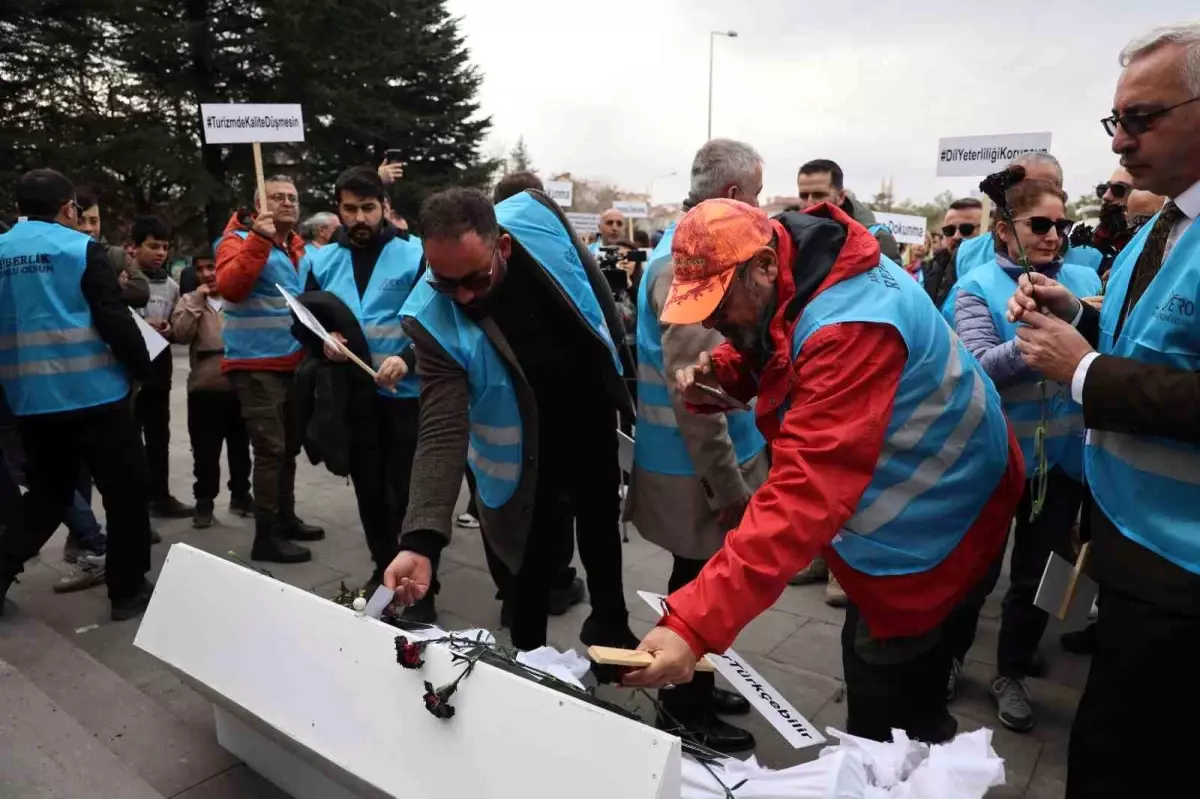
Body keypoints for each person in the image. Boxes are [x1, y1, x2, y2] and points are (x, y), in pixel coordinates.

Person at [620, 198, 1023, 744]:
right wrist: (731, 375)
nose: (711, 323)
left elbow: (803, 494)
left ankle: (905, 767)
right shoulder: (801, 262)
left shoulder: (850, 326)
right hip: (913, 499)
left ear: (763, 264)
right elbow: (785, 337)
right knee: (878, 653)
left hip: (936, 512)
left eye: (718, 306)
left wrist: (692, 626)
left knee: (888, 702)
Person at [1004, 22, 1200, 796]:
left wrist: (1080, 368)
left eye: (1143, 118)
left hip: (1182, 571)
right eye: (1116, 120)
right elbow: (1155, 344)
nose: (1120, 142)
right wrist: (1076, 317)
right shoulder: (1165, 225)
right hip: (1128, 538)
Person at [385, 187, 636, 653]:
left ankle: (610, 626)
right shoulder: (430, 317)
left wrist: (620, 370)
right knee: (530, 560)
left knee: (601, 526)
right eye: (444, 282)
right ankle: (528, 656)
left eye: (474, 281)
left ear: (503, 247)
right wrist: (419, 542)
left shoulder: (538, 215)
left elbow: (589, 284)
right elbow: (440, 431)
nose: (461, 296)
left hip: (586, 413)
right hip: (520, 448)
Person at [628, 138, 767, 752]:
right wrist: (729, 491)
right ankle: (682, 707)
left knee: (702, 582)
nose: (760, 210)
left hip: (695, 464)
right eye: (756, 196)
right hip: (698, 469)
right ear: (733, 196)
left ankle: (699, 683)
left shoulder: (676, 248)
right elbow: (698, 396)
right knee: (696, 588)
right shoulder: (684, 262)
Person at [948, 180, 1100, 732]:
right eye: (1040, 224)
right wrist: (1048, 341)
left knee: (1040, 577)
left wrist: (1077, 323)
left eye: (1062, 224)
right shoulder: (975, 286)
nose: (1054, 236)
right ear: (1004, 229)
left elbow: (1106, 348)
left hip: (1064, 464)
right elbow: (979, 366)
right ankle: (952, 658)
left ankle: (1011, 672)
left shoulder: (1083, 281)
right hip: (996, 460)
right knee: (975, 574)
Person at [0, 169, 155, 621]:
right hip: (96, 397)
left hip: (32, 403)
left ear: (18, 210)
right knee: (126, 493)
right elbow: (114, 319)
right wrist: (142, 372)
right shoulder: (79, 249)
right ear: (69, 208)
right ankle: (126, 591)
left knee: (48, 495)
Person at [302, 167, 426, 606]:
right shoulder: (319, 260)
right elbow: (304, 320)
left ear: (384, 209)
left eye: (368, 208)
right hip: (352, 397)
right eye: (350, 208)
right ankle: (382, 567)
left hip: (405, 396)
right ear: (338, 208)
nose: (359, 217)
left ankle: (419, 580)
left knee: (408, 489)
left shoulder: (414, 255)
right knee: (370, 488)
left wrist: (407, 358)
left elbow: (435, 320)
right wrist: (323, 341)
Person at [215, 175, 324, 563]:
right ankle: (265, 537)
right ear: (258, 204)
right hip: (254, 363)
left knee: (287, 447)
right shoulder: (236, 241)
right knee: (270, 449)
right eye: (277, 197)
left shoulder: (296, 247)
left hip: (291, 362)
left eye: (293, 197)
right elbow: (230, 287)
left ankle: (285, 518)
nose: (288, 203)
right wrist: (259, 241)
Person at [171, 250, 253, 529]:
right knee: (205, 453)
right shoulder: (189, 301)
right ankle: (204, 501)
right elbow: (180, 334)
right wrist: (196, 300)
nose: (207, 274)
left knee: (241, 449)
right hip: (204, 391)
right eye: (201, 268)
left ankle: (241, 495)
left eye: (213, 267)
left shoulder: (239, 300)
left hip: (240, 388)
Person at [128, 216, 193, 519]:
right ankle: (134, 503)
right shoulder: (122, 281)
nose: (160, 253)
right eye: (153, 246)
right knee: (128, 439)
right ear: (134, 248)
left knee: (159, 437)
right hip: (129, 371)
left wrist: (169, 328)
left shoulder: (171, 286)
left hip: (160, 367)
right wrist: (142, 324)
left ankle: (160, 496)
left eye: (165, 247)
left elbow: (179, 324)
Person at [796, 159, 901, 262]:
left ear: (841, 197)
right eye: (804, 196)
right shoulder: (791, 236)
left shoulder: (877, 240)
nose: (809, 204)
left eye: (819, 195)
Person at [74, 187, 150, 308]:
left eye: (93, 221)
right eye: (80, 221)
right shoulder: (59, 256)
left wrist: (110, 286)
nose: (88, 228)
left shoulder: (115, 255)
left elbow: (142, 292)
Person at [923, 198, 984, 308]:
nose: (957, 236)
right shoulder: (928, 270)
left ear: (986, 229)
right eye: (949, 230)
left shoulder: (994, 273)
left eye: (966, 229)